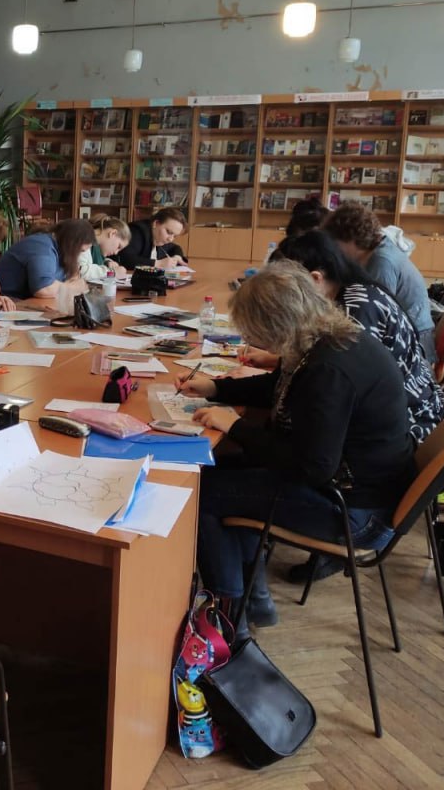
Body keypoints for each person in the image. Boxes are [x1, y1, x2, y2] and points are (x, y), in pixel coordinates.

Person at [177, 262, 414, 631]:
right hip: (356, 489)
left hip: (354, 513)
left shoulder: (328, 370)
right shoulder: (329, 341)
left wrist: (236, 425)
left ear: (277, 326)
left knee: (203, 492)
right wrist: (216, 388)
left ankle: (229, 620)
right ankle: (253, 599)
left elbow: (312, 466)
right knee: (224, 474)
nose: (253, 340)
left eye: (255, 332)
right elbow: (282, 389)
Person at [272, 231, 444, 586]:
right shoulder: (354, 291)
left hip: (408, 425)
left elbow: (336, 381)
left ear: (315, 279)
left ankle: (317, 541)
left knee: (283, 441)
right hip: (401, 420)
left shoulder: (355, 308)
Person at [323, 203, 436, 362]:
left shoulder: (381, 262)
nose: (335, 251)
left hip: (416, 343)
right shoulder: (379, 249)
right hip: (413, 333)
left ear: (351, 239)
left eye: (336, 244)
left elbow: (375, 314)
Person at [0, 218, 96, 300]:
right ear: (71, 244)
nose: (78, 255)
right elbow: (43, 289)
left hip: (26, 302)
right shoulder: (42, 247)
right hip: (7, 302)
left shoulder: (60, 248)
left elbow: (71, 278)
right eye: (80, 251)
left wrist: (70, 283)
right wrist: (73, 287)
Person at [115, 207, 188, 270]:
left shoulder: (160, 237)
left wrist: (177, 256)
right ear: (155, 223)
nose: (170, 239)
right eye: (169, 232)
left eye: (174, 236)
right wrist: (158, 263)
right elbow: (125, 258)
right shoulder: (137, 231)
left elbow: (175, 247)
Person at [78, 214, 132, 284]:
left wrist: (107, 262)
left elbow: (93, 261)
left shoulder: (96, 245)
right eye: (118, 246)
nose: (116, 253)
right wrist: (112, 273)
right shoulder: (83, 238)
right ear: (113, 233)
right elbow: (81, 272)